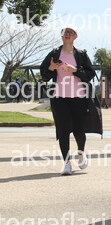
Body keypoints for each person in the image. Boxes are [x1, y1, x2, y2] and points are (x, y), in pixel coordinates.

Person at [40, 26, 97, 175]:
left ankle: (81, 152)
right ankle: (67, 164)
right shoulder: (54, 54)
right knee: (63, 130)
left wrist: (75, 70)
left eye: (70, 32)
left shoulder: (81, 55)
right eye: (65, 32)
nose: (67, 34)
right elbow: (44, 75)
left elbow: (90, 74)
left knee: (79, 129)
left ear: (75, 36)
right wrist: (51, 68)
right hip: (59, 97)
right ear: (62, 36)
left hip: (79, 97)